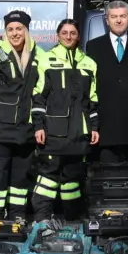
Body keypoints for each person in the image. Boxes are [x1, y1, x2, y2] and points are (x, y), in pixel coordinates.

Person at [0, 11, 43, 219]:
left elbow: (41, 93)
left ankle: (17, 217)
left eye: (19, 29)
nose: (15, 33)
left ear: (26, 30)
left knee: (20, 180)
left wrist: (39, 125)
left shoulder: (39, 55)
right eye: (10, 29)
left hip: (25, 131)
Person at [31, 19, 99, 222]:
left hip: (79, 134)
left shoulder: (89, 63)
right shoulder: (46, 59)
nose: (69, 37)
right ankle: (42, 220)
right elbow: (38, 96)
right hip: (53, 132)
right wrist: (38, 126)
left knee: (72, 180)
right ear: (57, 36)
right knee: (48, 178)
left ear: (78, 36)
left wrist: (94, 127)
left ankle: (72, 220)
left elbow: (92, 100)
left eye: (73, 33)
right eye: (64, 33)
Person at [86, 0, 128, 164]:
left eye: (122, 16)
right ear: (107, 20)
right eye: (114, 17)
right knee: (108, 174)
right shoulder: (93, 46)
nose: (118, 20)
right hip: (106, 126)